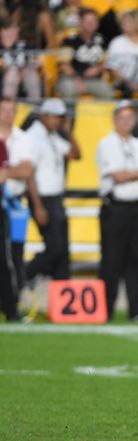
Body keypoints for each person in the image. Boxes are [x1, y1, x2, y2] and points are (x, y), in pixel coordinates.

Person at [96, 100, 138, 321]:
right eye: (122, 118)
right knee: (111, 260)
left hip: (135, 208)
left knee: (135, 260)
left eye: (130, 118)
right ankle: (106, 309)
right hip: (115, 207)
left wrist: (131, 173)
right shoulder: (106, 144)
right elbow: (117, 176)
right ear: (114, 120)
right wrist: (137, 173)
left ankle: (136, 310)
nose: (126, 122)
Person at [25, 98, 81, 285]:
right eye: (55, 117)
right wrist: (38, 206)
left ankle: (63, 301)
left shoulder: (53, 136)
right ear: (44, 115)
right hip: (42, 199)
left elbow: (75, 155)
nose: (57, 121)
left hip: (57, 199)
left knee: (63, 251)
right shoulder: (33, 137)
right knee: (54, 248)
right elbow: (29, 174)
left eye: (60, 118)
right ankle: (22, 276)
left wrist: (68, 132)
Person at [0, 97, 43, 321]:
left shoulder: (22, 139)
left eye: (11, 110)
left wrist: (8, 172)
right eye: (3, 110)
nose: (8, 114)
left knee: (12, 256)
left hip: (14, 203)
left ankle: (11, 304)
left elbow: (27, 171)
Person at [57, 8, 115, 100]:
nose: (90, 24)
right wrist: (77, 78)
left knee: (107, 91)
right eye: (87, 21)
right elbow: (64, 65)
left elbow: (108, 62)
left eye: (93, 21)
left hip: (95, 80)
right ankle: (70, 114)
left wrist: (98, 68)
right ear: (80, 22)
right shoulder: (69, 40)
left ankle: (102, 114)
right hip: (72, 79)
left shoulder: (103, 40)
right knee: (68, 89)